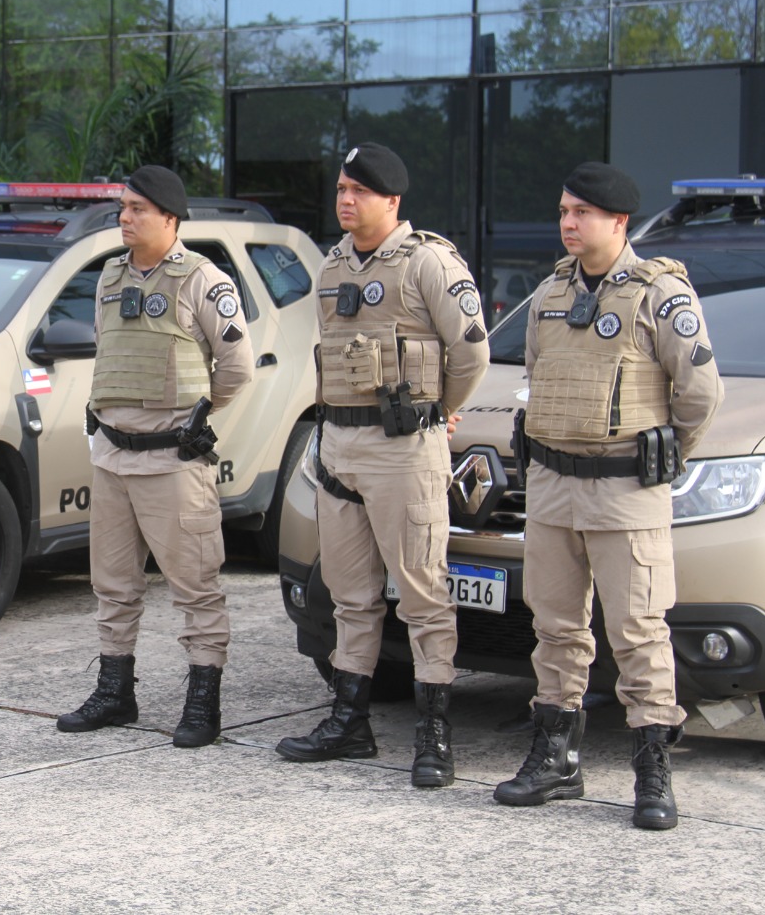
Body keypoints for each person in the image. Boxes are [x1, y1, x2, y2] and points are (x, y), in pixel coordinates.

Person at [494, 162, 722, 830]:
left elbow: (701, 394)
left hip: (625, 490)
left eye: (582, 213)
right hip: (554, 489)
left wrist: (666, 451)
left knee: (638, 633)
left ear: (618, 221)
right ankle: (556, 760)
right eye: (564, 210)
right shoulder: (549, 294)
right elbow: (536, 375)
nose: (568, 223)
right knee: (555, 630)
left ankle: (652, 771)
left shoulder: (660, 294)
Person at [275, 142, 489, 788]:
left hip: (403, 449)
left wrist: (439, 410)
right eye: (341, 189)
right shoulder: (333, 265)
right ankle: (349, 722)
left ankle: (433, 733)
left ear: (391, 200)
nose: (345, 199)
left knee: (423, 595)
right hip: (340, 446)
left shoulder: (428, 262)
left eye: (359, 191)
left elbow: (470, 353)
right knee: (351, 595)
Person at [56, 164, 254, 748]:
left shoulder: (203, 280)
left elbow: (237, 368)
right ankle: (115, 693)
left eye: (137, 208)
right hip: (112, 457)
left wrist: (197, 414)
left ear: (170, 217)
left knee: (195, 586)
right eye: (122, 207)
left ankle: (203, 703)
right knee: (113, 584)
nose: (124, 217)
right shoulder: (110, 276)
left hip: (171, 460)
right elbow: (105, 349)